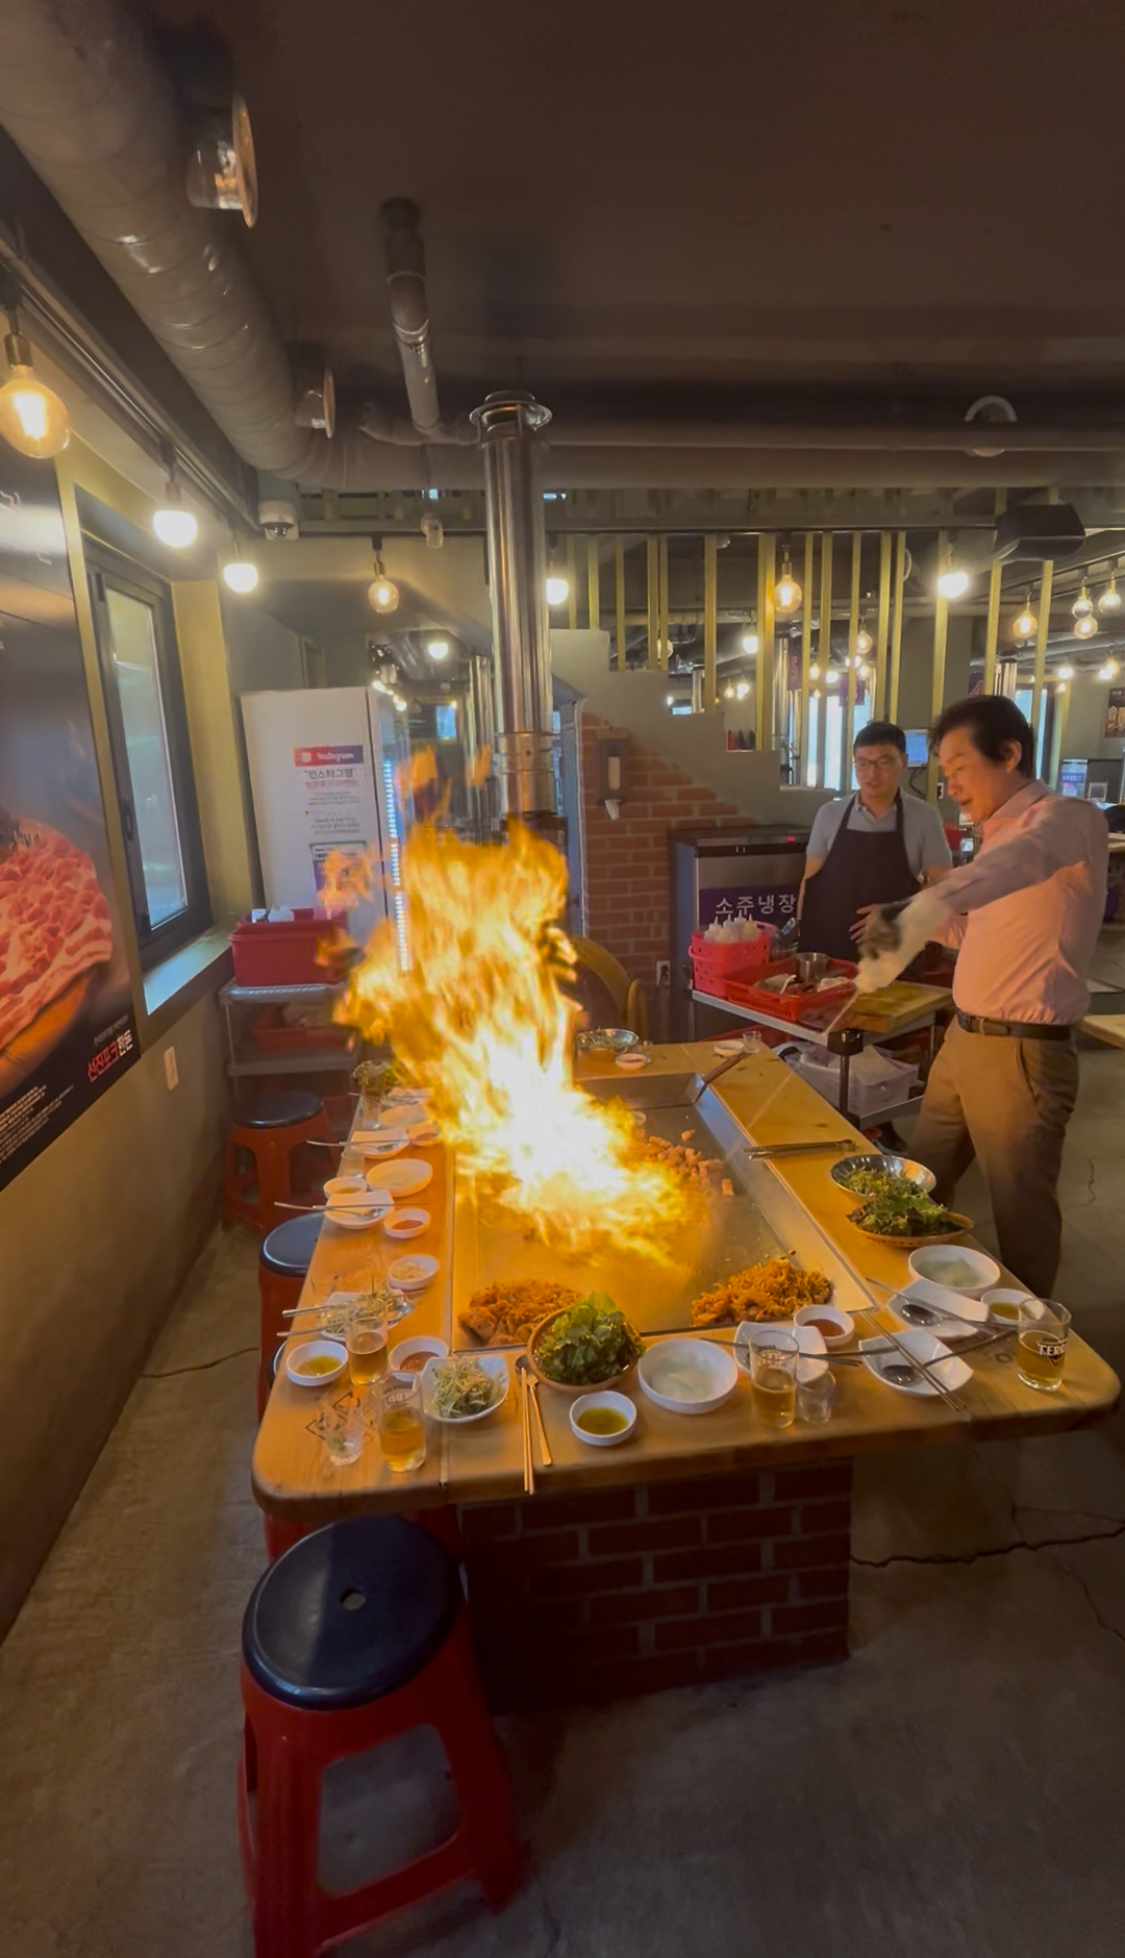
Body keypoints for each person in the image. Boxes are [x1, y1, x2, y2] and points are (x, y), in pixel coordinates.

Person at [856, 694, 1109, 1297]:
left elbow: (1027, 859)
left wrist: (926, 903)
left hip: (1022, 1054)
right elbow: (978, 933)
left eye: (960, 768)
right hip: (963, 1041)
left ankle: (1034, 1337)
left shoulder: (1066, 819)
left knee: (1021, 1214)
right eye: (944, 773)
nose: (953, 787)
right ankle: (912, 1305)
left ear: (1010, 753)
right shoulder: (995, 838)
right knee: (916, 1187)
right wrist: (911, 920)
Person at [798, 721, 952, 962]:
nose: (871, 774)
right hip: (828, 952)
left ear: (903, 761)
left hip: (892, 952)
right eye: (863, 763)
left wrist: (897, 913)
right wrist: (799, 931)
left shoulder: (924, 817)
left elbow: (943, 883)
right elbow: (810, 882)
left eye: (883, 763)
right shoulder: (829, 814)